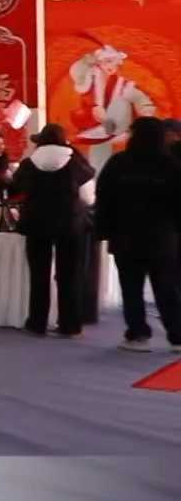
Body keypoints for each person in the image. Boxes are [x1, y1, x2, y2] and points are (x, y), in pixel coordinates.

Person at [93, 116, 181, 354]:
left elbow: (103, 199)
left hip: (125, 237)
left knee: (131, 288)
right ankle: (177, 337)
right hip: (162, 238)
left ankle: (138, 335)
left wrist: (103, 230)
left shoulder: (118, 163)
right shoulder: (171, 165)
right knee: (167, 288)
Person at [10, 123, 96, 338]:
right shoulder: (75, 161)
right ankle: (70, 325)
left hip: (36, 223)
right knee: (70, 275)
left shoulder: (29, 162)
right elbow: (88, 193)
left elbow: (15, 188)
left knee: (39, 275)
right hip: (70, 223)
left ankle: (37, 323)